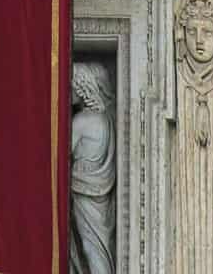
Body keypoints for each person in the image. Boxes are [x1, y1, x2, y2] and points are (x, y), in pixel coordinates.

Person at [69, 62, 117, 274]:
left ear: (83, 88)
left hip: (84, 191)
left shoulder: (81, 121)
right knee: (99, 247)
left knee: (90, 247)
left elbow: (59, 155)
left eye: (73, 86)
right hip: (100, 195)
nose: (70, 91)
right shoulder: (106, 119)